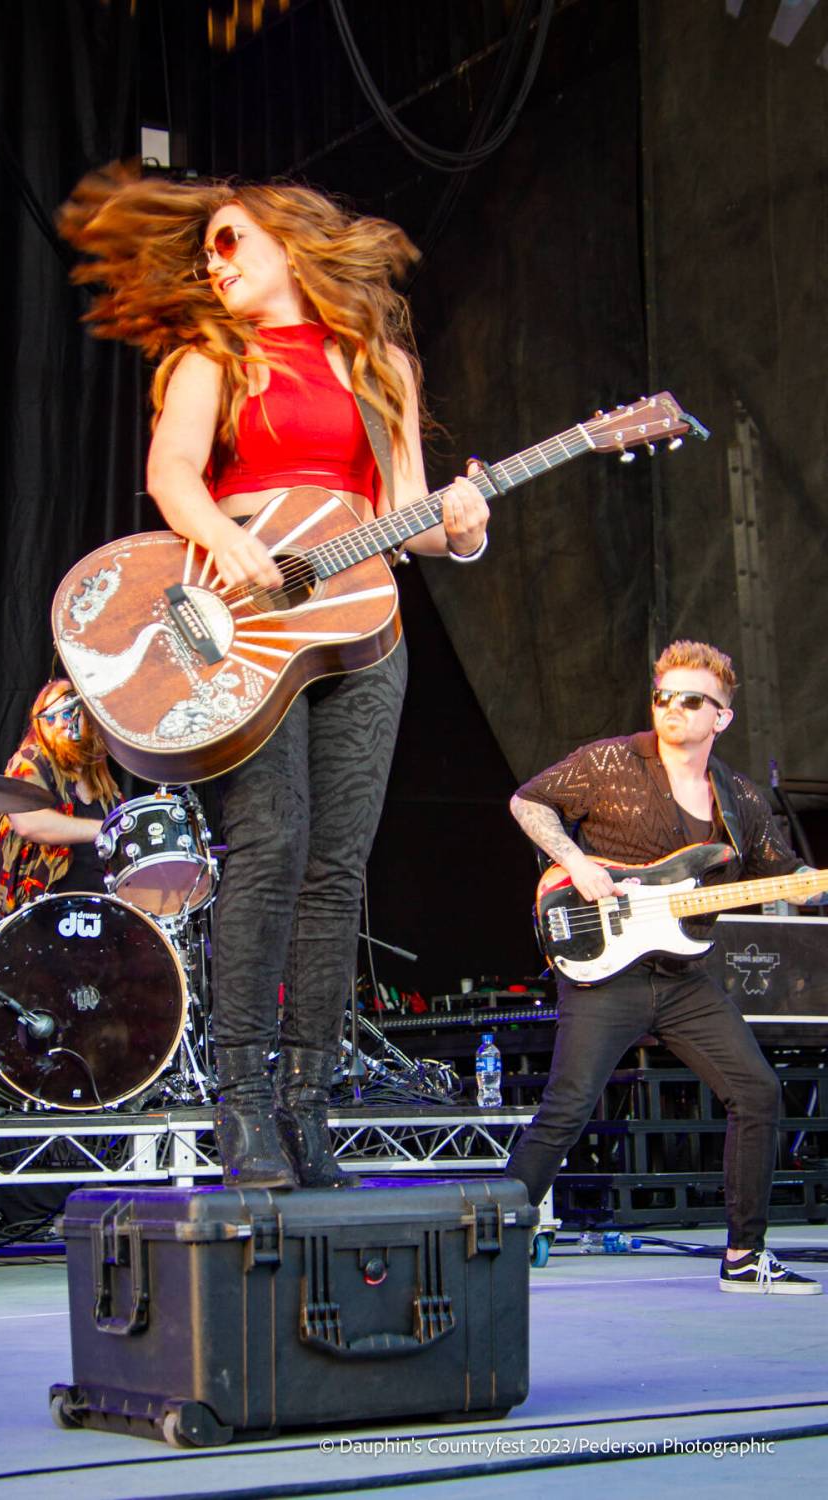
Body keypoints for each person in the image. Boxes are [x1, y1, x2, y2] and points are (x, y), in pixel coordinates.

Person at [58, 168, 489, 1187]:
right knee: (272, 843)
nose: (215, 261)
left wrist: (462, 532)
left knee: (339, 866)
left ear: (289, 245)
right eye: (206, 246)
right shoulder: (216, 355)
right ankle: (241, 1108)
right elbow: (172, 474)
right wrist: (217, 532)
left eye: (231, 240)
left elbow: (411, 508)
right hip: (241, 622)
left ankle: (308, 1109)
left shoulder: (379, 361)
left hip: (362, 622)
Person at [505, 639, 824, 1294]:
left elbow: (783, 870)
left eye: (690, 700)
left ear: (721, 716)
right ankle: (482, 1240)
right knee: (567, 1108)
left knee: (757, 1091)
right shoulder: (612, 761)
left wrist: (809, 885)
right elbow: (528, 803)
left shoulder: (736, 797)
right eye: (663, 697)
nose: (672, 708)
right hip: (607, 968)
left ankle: (744, 1257)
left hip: (683, 977)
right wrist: (579, 861)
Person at [0, 678, 120, 916]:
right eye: (50, 716)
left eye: (70, 711)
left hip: (99, 916)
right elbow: (30, 824)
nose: (61, 722)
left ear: (90, 718)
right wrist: (104, 829)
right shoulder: (30, 760)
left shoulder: (106, 788)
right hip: (37, 916)